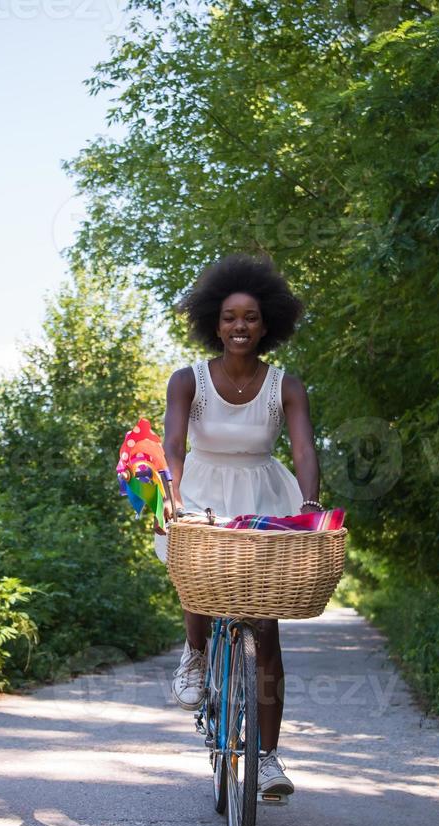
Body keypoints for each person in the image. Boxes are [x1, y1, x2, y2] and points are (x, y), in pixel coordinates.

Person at [159, 253, 323, 796]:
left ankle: (268, 759)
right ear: (215, 322)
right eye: (230, 317)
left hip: (263, 497)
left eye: (250, 317)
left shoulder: (286, 386)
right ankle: (197, 652)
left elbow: (303, 449)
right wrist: (172, 493)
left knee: (266, 633)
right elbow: (174, 444)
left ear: (266, 324)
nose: (239, 327)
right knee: (197, 570)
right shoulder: (189, 380)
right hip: (202, 490)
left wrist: (310, 507)